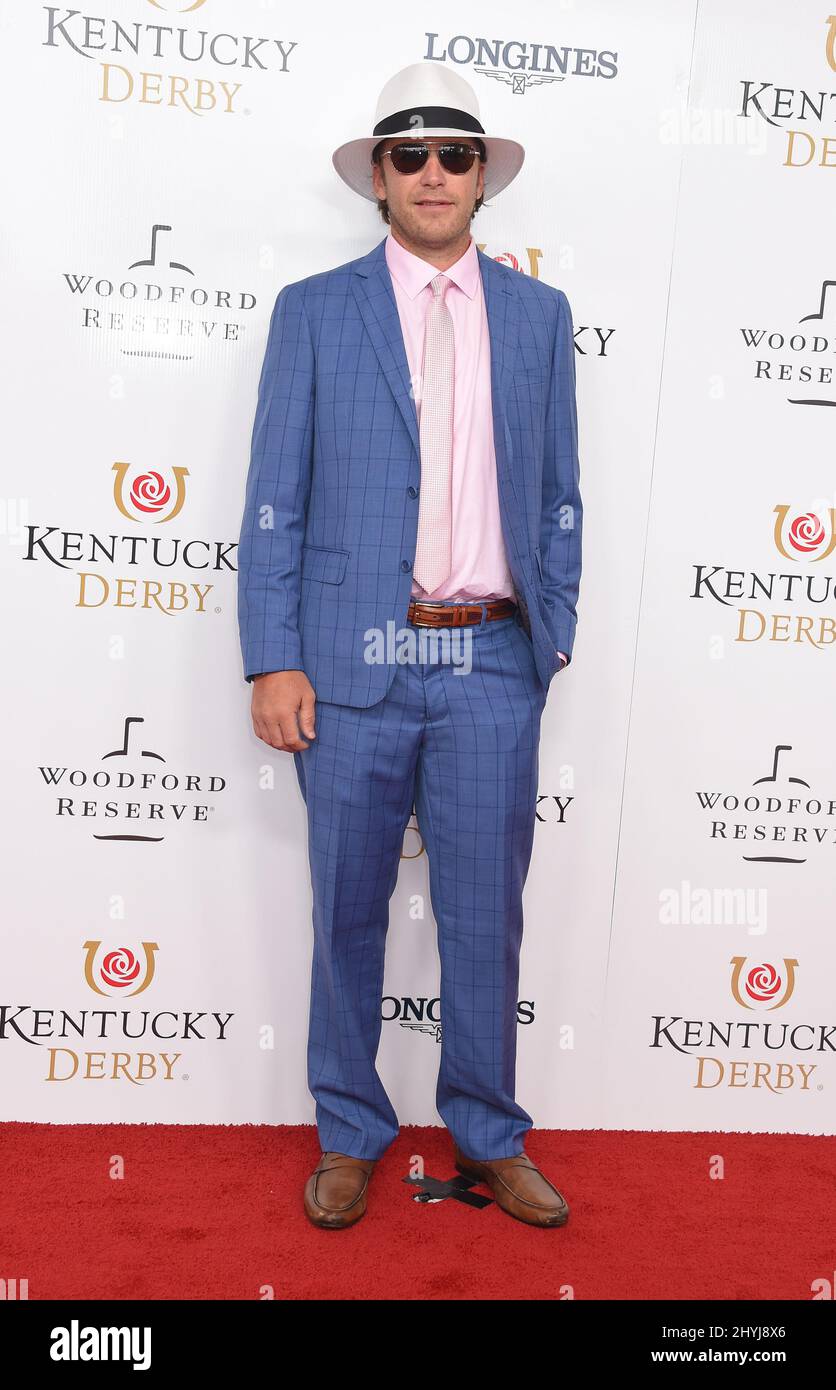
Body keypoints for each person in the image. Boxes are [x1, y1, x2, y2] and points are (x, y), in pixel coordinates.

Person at [237, 61, 582, 1230]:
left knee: (487, 915)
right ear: (377, 180)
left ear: (481, 177)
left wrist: (554, 630)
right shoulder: (313, 311)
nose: (432, 174)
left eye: (453, 155)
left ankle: (489, 1136)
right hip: (348, 661)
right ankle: (349, 1130)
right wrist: (270, 655)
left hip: (489, 658)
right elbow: (271, 497)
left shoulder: (536, 317)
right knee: (345, 909)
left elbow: (555, 496)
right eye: (408, 156)